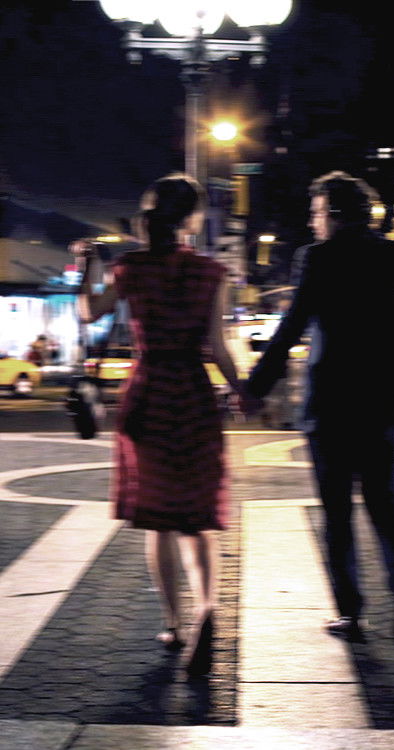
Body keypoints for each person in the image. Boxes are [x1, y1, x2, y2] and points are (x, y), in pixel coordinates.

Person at [246, 171, 394, 652]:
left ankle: (351, 612)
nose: (312, 223)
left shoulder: (318, 257)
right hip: (385, 400)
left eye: (316, 213)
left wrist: (256, 387)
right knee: (385, 502)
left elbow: (292, 326)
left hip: (332, 399)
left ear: (333, 214)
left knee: (337, 510)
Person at [72, 173, 249, 676]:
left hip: (148, 395)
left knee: (159, 519)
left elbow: (88, 312)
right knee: (196, 517)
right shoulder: (210, 273)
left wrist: (87, 268)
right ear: (191, 219)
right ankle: (207, 607)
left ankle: (174, 623)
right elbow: (217, 346)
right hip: (192, 396)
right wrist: (243, 390)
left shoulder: (130, 268)